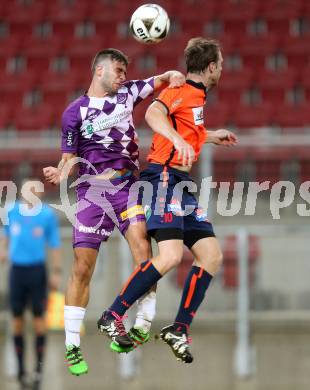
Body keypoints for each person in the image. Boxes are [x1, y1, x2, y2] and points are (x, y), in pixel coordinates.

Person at [43, 48, 192, 376]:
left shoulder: (128, 93)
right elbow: (68, 156)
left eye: (126, 71)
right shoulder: (74, 112)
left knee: (144, 251)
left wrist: (174, 75)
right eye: (119, 70)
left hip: (127, 188)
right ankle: (72, 345)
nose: (125, 76)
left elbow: (162, 79)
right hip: (92, 194)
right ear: (99, 71)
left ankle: (141, 323)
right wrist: (60, 172)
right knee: (82, 267)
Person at [98, 37, 238, 363]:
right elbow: (153, 114)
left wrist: (209, 136)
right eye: (221, 64)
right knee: (172, 255)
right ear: (212, 67)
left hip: (181, 183)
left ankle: (179, 328)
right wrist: (175, 138)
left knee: (211, 255)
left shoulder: (197, 98)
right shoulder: (181, 91)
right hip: (162, 178)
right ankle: (113, 314)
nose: (222, 69)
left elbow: (187, 127)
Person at [0, 179, 61, 389]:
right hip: (17, 271)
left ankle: (38, 370)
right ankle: (20, 370)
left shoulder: (46, 215)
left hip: (37, 272)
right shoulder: (12, 211)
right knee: (16, 322)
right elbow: (5, 234)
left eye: (36, 189)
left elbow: (54, 244)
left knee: (38, 322)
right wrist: (3, 250)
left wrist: (55, 271)